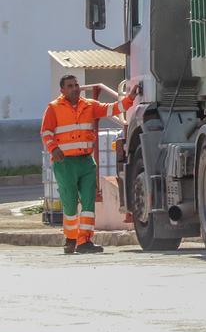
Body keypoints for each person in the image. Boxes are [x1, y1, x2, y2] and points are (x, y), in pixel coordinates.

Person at [40, 75, 139, 254]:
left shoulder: (90, 105)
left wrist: (130, 97)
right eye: (70, 86)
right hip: (64, 164)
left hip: (86, 162)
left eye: (76, 85)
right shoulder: (53, 108)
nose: (75, 88)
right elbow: (46, 132)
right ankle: (70, 239)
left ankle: (85, 241)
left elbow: (114, 109)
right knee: (70, 204)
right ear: (62, 90)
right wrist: (53, 148)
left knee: (88, 202)